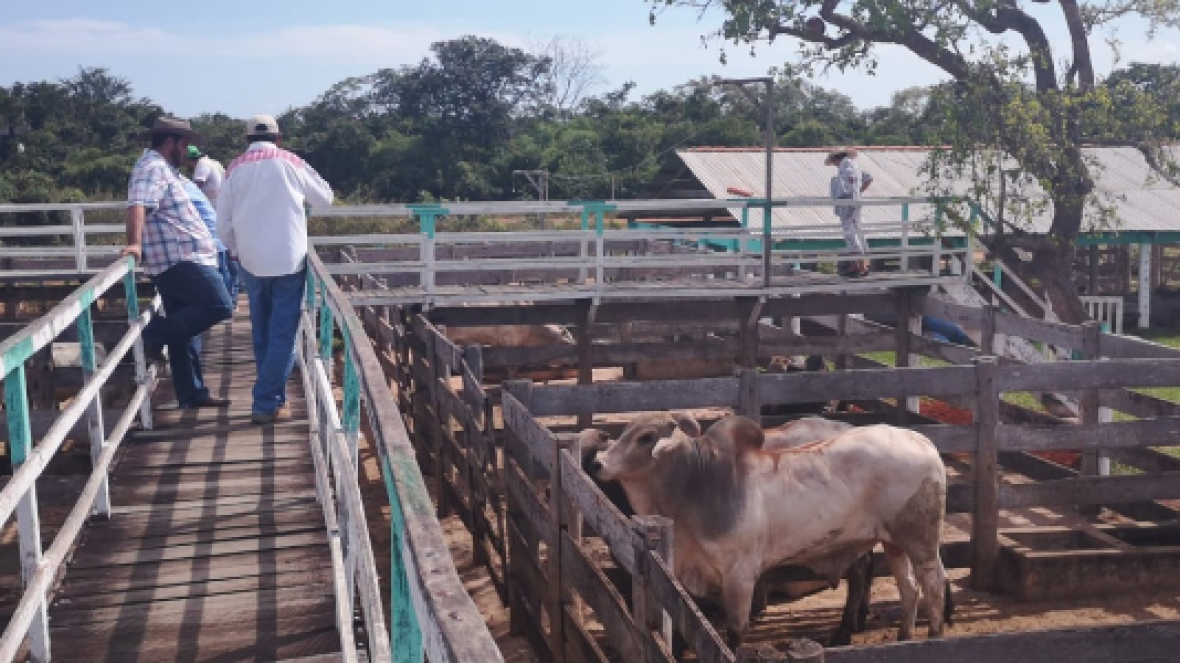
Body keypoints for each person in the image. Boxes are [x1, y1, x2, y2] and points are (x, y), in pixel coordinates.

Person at [217, 114, 334, 424]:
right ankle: (266, 401)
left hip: (250, 261)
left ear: (247, 140)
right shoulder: (291, 162)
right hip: (288, 259)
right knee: (283, 333)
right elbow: (325, 198)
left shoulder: (234, 168)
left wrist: (237, 250)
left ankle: (273, 398)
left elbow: (222, 224)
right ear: (278, 138)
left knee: (262, 332)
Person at [122, 116, 234, 409]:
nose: (185, 152)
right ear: (170, 142)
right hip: (179, 259)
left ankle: (191, 393)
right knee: (220, 305)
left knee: (184, 330)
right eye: (183, 145)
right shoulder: (153, 167)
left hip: (179, 257)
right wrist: (134, 244)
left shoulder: (165, 170)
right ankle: (151, 335)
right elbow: (138, 204)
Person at [186, 146, 238, 302]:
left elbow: (196, 185)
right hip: (223, 213)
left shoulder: (202, 165)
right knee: (229, 260)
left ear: (190, 159)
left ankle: (226, 299)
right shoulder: (214, 163)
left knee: (222, 263)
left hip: (213, 218)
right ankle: (232, 297)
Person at [827, 147, 874, 277]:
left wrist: (850, 193)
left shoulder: (845, 168)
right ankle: (859, 264)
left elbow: (844, 188)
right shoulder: (855, 167)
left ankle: (860, 266)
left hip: (847, 204)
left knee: (851, 235)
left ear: (835, 159)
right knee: (857, 231)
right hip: (855, 203)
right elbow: (868, 178)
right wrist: (858, 192)